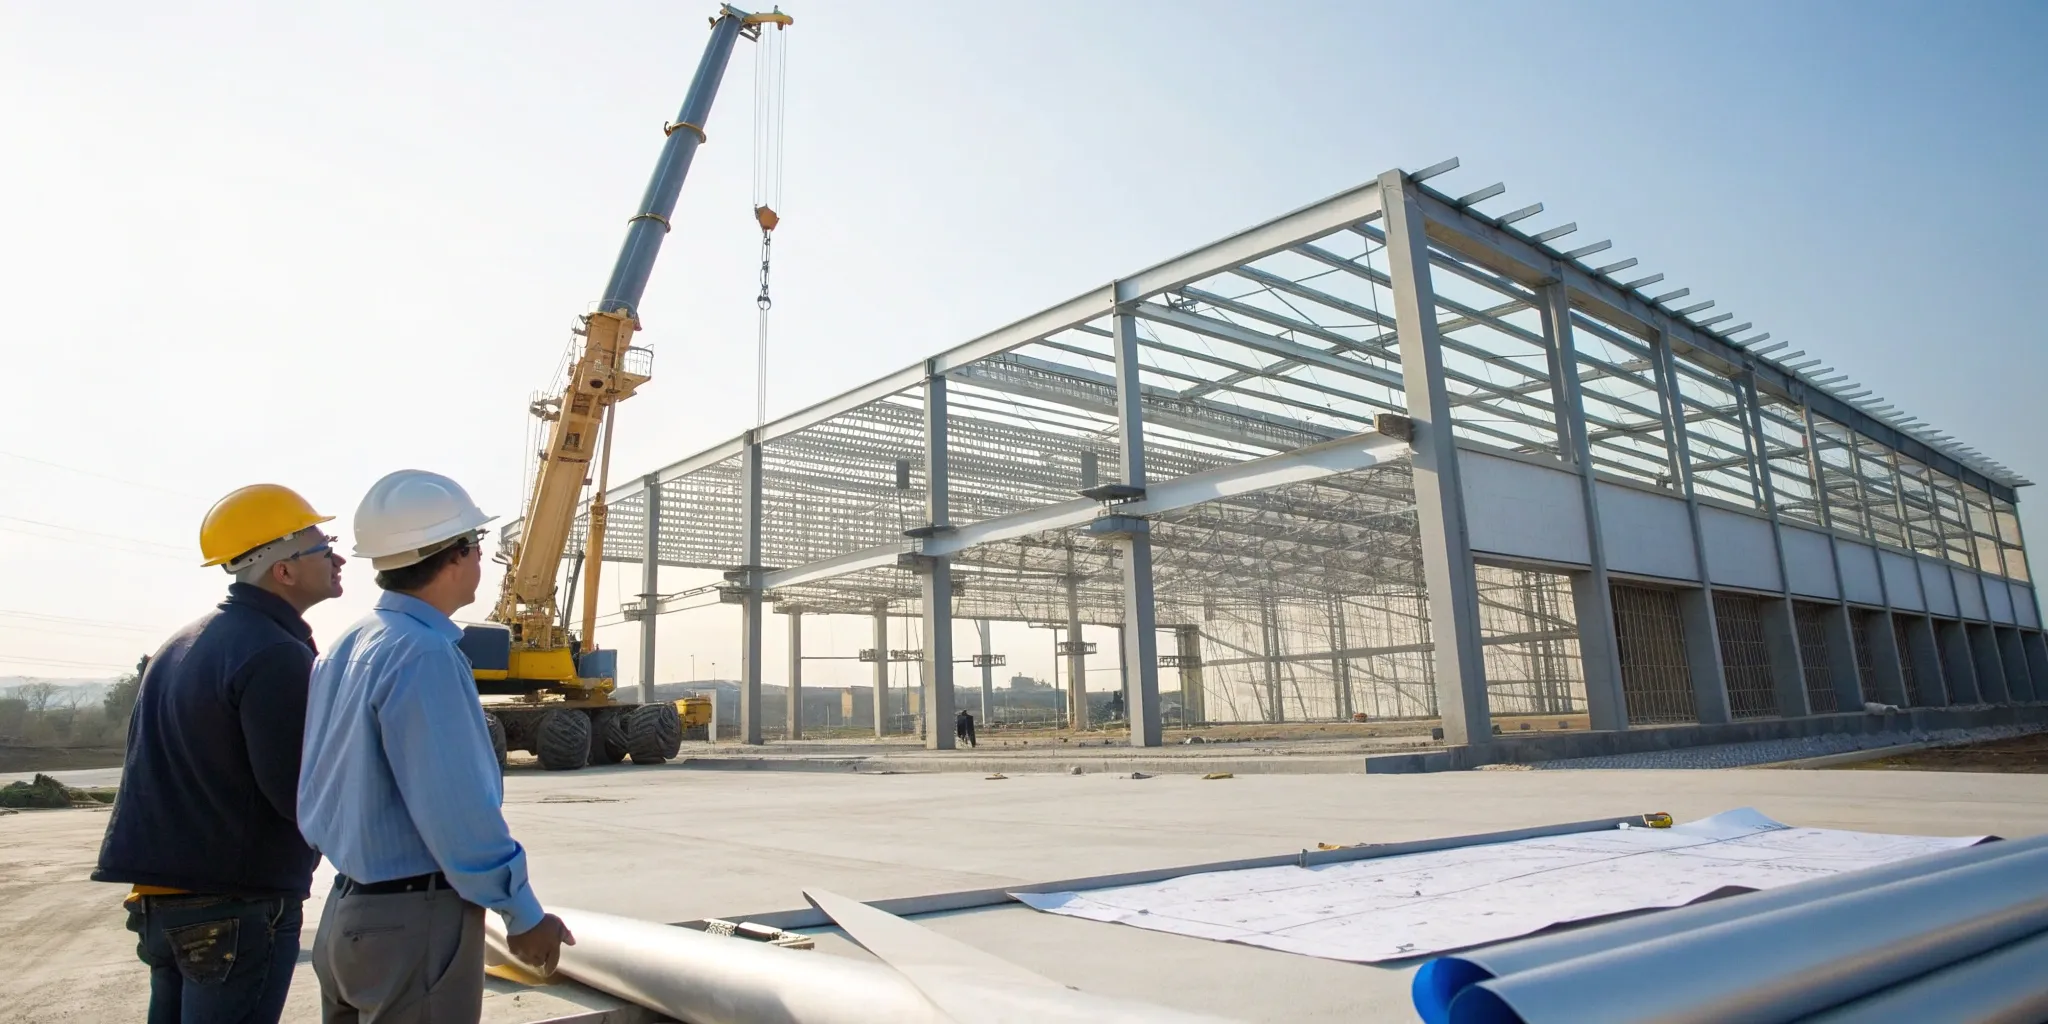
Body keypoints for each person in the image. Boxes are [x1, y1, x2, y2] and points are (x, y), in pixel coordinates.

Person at [298, 470, 572, 1023]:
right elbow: (457, 809)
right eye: (477, 548)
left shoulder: (347, 645)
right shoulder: (424, 654)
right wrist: (520, 911)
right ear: (455, 554)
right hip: (411, 924)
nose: (480, 564)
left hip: (347, 915)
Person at [93, 483, 346, 1024]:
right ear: (283, 570)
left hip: (166, 903)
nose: (338, 557)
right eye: (323, 547)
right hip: (234, 905)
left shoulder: (184, 643)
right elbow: (297, 791)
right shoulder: (274, 652)